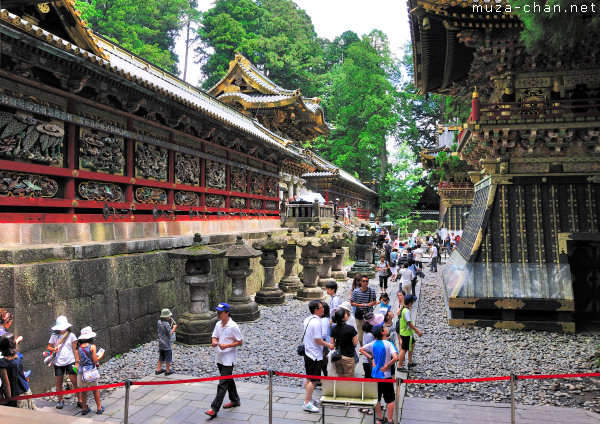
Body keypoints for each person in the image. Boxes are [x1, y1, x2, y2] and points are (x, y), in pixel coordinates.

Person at [205, 303, 243, 418]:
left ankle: (214, 408)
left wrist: (227, 346)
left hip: (228, 359)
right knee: (228, 380)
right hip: (220, 357)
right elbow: (215, 336)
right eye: (217, 312)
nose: (218, 314)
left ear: (227, 313)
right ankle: (235, 400)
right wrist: (214, 341)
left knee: (222, 384)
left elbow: (240, 342)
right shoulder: (218, 324)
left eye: (220, 312)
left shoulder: (233, 326)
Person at [359, 326, 398, 424]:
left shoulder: (373, 343)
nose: (387, 329)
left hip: (375, 375)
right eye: (384, 328)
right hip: (386, 375)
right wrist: (387, 365)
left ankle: (380, 418)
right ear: (382, 332)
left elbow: (361, 349)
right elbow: (395, 357)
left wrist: (371, 358)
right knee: (390, 399)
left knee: (377, 398)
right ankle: (389, 420)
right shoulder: (389, 344)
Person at [301, 300, 330, 413]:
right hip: (314, 354)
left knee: (309, 377)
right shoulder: (317, 322)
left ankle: (309, 397)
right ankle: (307, 402)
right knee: (314, 380)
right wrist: (329, 345)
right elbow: (318, 339)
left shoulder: (307, 320)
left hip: (307, 352)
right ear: (316, 310)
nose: (323, 309)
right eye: (321, 307)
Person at [47, 315, 81, 409]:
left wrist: (77, 362)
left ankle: (80, 400)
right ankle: (60, 400)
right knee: (59, 381)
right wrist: (54, 349)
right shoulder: (54, 335)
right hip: (58, 362)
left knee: (74, 381)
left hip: (70, 361)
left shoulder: (71, 335)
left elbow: (76, 348)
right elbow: (48, 347)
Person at [0, 333, 35, 410]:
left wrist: (9, 398)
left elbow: (6, 383)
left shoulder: (3, 363)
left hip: (15, 395)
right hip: (26, 390)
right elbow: (22, 372)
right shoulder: (19, 356)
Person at [77, 326, 104, 415]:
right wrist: (101, 354)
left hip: (83, 372)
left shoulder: (79, 348)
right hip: (91, 371)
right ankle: (99, 408)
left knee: (84, 391)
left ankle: (84, 408)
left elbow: (80, 360)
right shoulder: (92, 346)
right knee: (95, 390)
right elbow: (95, 360)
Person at [397, 295, 422, 372]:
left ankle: (410, 362)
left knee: (412, 344)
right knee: (404, 350)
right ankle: (400, 366)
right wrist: (418, 331)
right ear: (410, 303)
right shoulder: (406, 311)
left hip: (406, 332)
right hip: (406, 334)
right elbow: (409, 323)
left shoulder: (403, 309)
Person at [330, 309, 358, 377]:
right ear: (343, 318)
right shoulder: (350, 328)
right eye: (345, 314)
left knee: (340, 375)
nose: (346, 314)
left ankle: (340, 387)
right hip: (348, 355)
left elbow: (332, 342)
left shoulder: (333, 328)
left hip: (338, 356)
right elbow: (355, 342)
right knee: (349, 375)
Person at [350, 276, 377, 345]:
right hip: (360, 314)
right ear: (361, 282)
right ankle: (361, 346)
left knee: (370, 330)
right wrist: (362, 305)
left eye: (366, 281)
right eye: (364, 281)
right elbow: (351, 302)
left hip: (369, 314)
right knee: (360, 330)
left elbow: (374, 302)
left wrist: (369, 304)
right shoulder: (356, 291)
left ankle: (370, 344)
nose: (365, 283)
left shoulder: (372, 291)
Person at [156, 308, 177, 376]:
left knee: (161, 356)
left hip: (160, 343)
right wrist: (174, 327)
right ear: (167, 317)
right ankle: (167, 371)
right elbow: (170, 332)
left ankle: (158, 369)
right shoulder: (166, 324)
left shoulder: (158, 322)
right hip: (166, 344)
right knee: (168, 357)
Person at [320, 303, 331, 376]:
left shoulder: (323, 320)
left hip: (324, 344)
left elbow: (323, 334)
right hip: (326, 343)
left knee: (324, 363)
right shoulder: (327, 319)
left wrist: (317, 339)